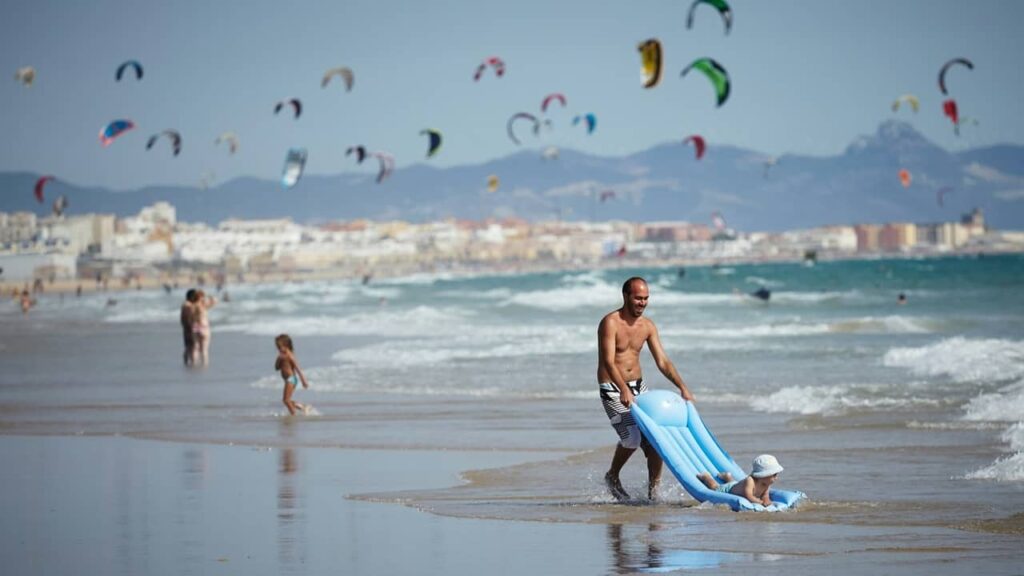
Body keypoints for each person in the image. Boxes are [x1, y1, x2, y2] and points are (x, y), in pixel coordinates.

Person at [599, 276, 695, 501]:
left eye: (646, 298)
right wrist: (622, 388)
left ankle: (654, 494)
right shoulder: (610, 323)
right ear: (626, 296)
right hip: (612, 387)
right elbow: (608, 362)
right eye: (638, 298)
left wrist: (683, 387)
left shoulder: (648, 326)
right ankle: (612, 476)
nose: (642, 303)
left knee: (655, 440)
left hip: (638, 387)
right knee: (631, 438)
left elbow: (662, 361)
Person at [696, 454, 784, 507]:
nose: (776, 478)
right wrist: (760, 502)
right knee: (715, 487)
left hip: (736, 486)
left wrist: (767, 501)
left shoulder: (767, 483)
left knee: (733, 483)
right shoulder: (750, 481)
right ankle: (706, 477)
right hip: (728, 490)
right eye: (774, 475)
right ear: (764, 475)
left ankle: (727, 477)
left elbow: (765, 496)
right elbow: (748, 496)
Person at [274, 334, 309, 415]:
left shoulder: (290, 356)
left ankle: (293, 414)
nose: (278, 349)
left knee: (286, 400)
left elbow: (297, 368)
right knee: (286, 400)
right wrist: (278, 360)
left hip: (291, 379)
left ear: (286, 345)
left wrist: (303, 381)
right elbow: (276, 368)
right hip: (288, 380)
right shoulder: (281, 357)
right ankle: (302, 407)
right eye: (277, 347)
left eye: (280, 347)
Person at [191, 289, 216, 365]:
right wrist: (210, 296)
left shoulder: (192, 306)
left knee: (195, 348)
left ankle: (194, 363)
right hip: (204, 327)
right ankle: (204, 364)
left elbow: (190, 317)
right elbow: (214, 301)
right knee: (204, 349)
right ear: (201, 297)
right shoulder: (203, 306)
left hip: (195, 326)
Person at [180, 289, 196, 366]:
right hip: (189, 327)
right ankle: (192, 361)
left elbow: (183, 318)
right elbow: (188, 318)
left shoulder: (185, 305)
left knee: (188, 345)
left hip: (186, 327)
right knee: (192, 345)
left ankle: (187, 362)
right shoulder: (188, 305)